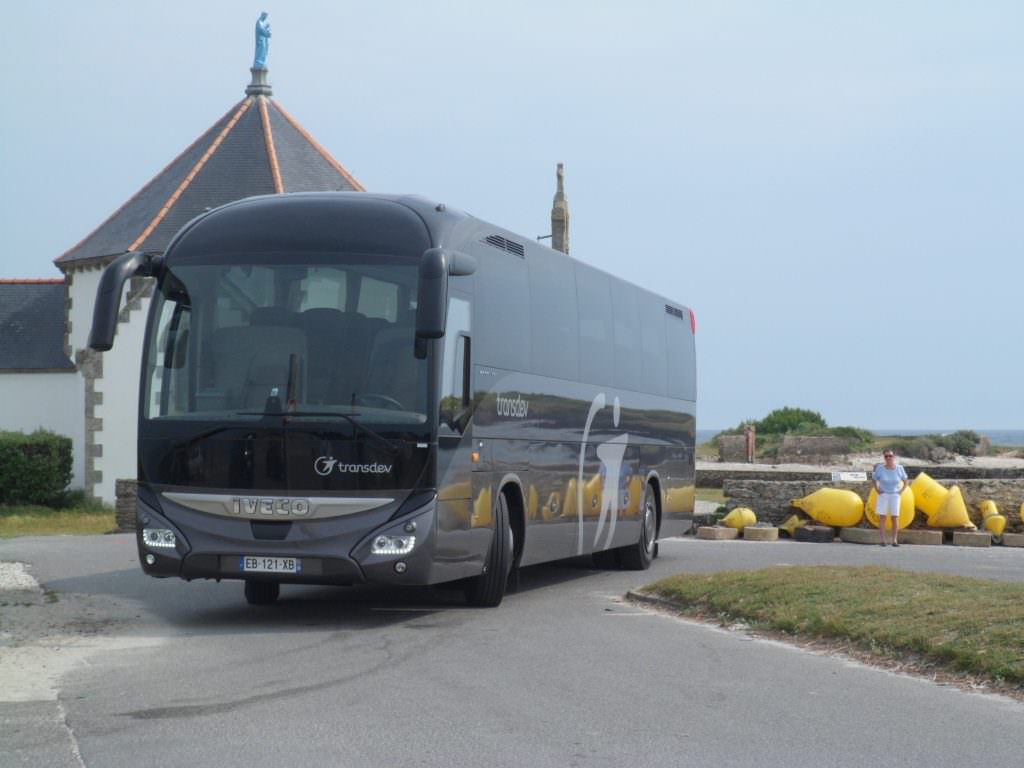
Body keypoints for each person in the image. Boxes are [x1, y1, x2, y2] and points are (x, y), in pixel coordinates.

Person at [872, 449, 908, 546]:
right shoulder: (880, 468)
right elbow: (874, 479)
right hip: (883, 494)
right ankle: (882, 540)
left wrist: (900, 491)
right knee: (882, 517)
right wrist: (877, 489)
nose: (888, 458)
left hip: (895, 495)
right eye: (886, 456)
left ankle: (894, 540)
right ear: (884, 457)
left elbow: (906, 481)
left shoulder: (899, 468)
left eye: (890, 456)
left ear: (894, 456)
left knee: (895, 517)